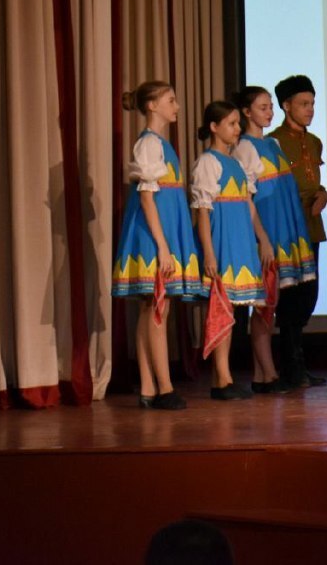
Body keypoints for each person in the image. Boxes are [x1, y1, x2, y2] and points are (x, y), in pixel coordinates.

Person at [112, 80, 202, 410]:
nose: (176, 106)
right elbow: (147, 199)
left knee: (151, 308)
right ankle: (164, 387)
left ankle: (149, 386)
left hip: (163, 231)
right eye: (170, 100)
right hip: (152, 234)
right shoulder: (149, 144)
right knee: (158, 308)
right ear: (152, 106)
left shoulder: (162, 144)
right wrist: (163, 246)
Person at [233, 86, 317, 393]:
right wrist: (262, 238)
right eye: (263, 107)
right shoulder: (245, 148)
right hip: (268, 232)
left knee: (272, 302)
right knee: (265, 303)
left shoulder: (273, 143)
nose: (269, 113)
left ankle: (262, 375)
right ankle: (267, 373)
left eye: (270, 107)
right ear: (246, 112)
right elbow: (247, 200)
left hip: (286, 230)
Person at [191, 101, 272, 400]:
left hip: (241, 241)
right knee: (221, 309)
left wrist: (262, 238)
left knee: (233, 311)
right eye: (231, 124)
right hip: (222, 240)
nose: (238, 129)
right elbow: (202, 212)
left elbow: (248, 205)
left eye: (238, 123)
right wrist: (209, 253)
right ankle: (222, 379)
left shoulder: (237, 164)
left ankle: (222, 377)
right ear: (214, 127)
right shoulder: (208, 163)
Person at [269, 75, 327, 389]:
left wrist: (323, 194)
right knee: (290, 297)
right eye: (304, 104)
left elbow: (313, 182)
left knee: (309, 294)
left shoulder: (315, 141)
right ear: (286, 105)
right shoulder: (274, 141)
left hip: (312, 225)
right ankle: (290, 367)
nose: (310, 109)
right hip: (288, 227)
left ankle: (298, 365)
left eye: (312, 104)